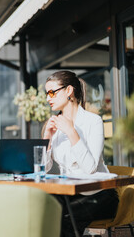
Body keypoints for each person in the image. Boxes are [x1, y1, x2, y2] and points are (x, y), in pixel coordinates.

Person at [42, 70, 118, 237]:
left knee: (63, 218)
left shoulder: (93, 121)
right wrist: (47, 138)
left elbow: (90, 168)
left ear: (69, 91)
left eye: (52, 92)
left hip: (100, 194)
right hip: (69, 194)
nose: (48, 98)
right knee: (41, 211)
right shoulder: (55, 125)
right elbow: (44, 169)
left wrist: (71, 132)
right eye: (46, 93)